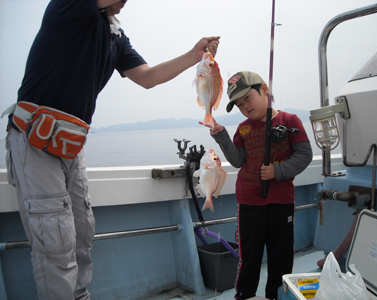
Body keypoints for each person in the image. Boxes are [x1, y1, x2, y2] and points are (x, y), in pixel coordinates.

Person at [3, 1, 219, 299]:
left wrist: (192, 56)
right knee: (55, 244)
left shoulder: (116, 36)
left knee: (81, 236)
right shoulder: (69, 7)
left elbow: (147, 77)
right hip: (34, 142)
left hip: (71, 146)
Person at [204, 71, 312, 300]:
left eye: (247, 99)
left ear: (264, 89)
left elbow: (304, 155)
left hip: (281, 202)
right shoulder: (243, 129)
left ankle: (276, 296)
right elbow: (237, 160)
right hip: (249, 203)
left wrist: (277, 171)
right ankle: (244, 295)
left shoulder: (290, 121)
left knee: (280, 255)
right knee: (249, 255)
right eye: (240, 105)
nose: (245, 107)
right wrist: (221, 135)